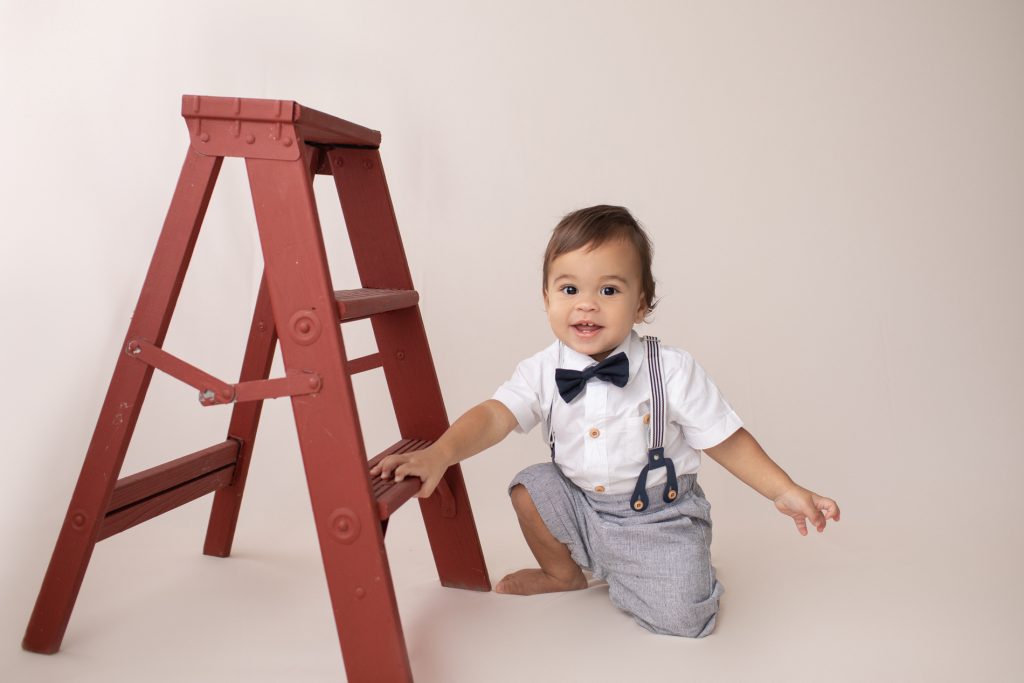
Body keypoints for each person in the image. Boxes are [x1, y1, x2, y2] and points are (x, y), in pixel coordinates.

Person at [370, 205, 840, 637]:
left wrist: (784, 490)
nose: (586, 304)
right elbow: (494, 415)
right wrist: (440, 454)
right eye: (569, 289)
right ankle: (565, 573)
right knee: (531, 487)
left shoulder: (670, 369)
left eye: (609, 290)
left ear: (640, 305)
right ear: (547, 297)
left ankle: (652, 570)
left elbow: (726, 439)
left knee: (685, 620)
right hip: (582, 505)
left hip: (658, 517)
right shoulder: (541, 369)